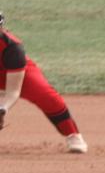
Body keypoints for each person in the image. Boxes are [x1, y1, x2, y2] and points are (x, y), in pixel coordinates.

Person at [0, 11, 88, 155]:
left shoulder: (13, 47)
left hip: (19, 73)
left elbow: (13, 92)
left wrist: (2, 108)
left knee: (46, 96)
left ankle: (73, 135)